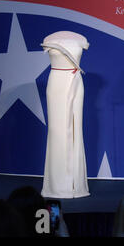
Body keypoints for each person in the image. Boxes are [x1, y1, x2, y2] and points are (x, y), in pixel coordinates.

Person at [41, 31, 90, 198]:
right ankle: (57, 185)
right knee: (58, 132)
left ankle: (76, 184)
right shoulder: (48, 39)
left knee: (76, 130)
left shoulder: (81, 39)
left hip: (76, 82)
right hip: (56, 83)